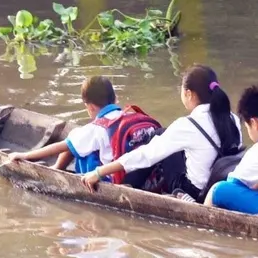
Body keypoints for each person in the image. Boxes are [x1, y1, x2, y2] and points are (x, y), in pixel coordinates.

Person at [81, 65, 242, 199]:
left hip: (194, 191)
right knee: (163, 134)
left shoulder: (188, 125)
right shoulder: (232, 118)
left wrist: (99, 171)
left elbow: (146, 155)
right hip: (218, 182)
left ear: (188, 94)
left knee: (157, 138)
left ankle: (128, 186)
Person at [4, 75, 150, 176]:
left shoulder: (97, 128)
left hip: (111, 177)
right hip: (140, 173)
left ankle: (57, 169)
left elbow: (60, 146)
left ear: (90, 107)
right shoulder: (130, 115)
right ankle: (58, 168)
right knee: (77, 138)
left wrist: (24, 155)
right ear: (115, 99)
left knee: (74, 141)